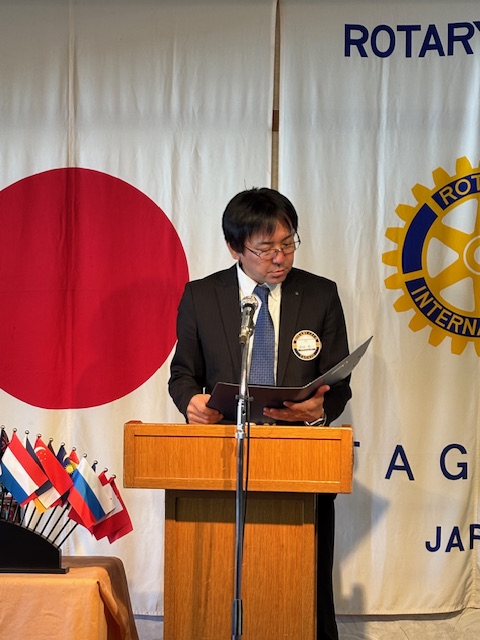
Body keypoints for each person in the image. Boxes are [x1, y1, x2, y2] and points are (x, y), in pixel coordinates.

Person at [168, 187, 351, 640]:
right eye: (266, 248)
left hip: (301, 461)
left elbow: (339, 383)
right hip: (222, 462)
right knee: (224, 577)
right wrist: (191, 403)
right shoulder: (201, 296)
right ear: (235, 248)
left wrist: (318, 410)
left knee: (305, 589)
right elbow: (183, 375)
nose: (280, 258)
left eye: (288, 244)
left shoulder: (320, 294)